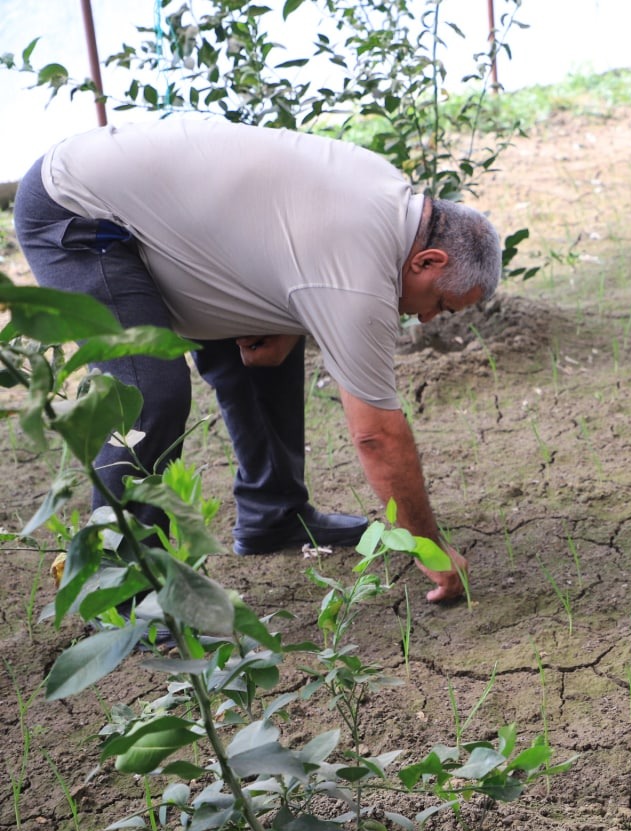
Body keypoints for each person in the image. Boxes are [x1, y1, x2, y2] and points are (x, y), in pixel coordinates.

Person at [15, 117, 502, 603]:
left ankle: (273, 515)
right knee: (147, 392)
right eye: (441, 304)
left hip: (165, 214)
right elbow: (376, 434)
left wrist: (289, 322)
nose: (432, 318)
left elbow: (286, 244)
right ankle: (120, 592)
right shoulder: (357, 273)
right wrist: (429, 546)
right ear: (428, 261)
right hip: (78, 210)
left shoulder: (388, 193)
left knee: (275, 329)